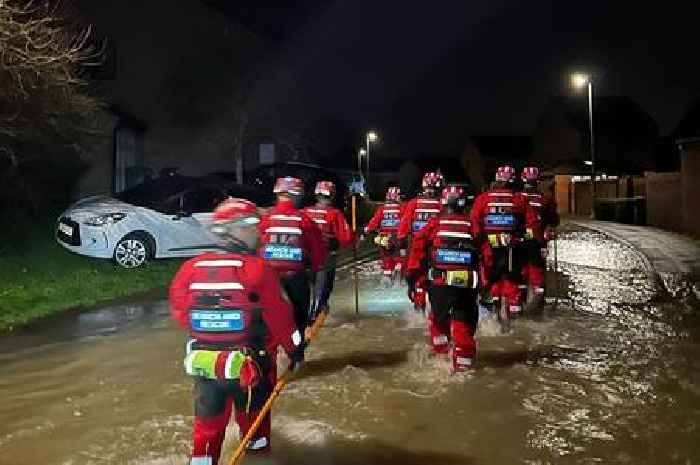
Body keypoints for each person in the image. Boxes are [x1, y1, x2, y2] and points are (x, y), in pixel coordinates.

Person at [169, 198, 305, 464]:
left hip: (205, 365)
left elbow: (182, 314)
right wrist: (295, 349)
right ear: (233, 229)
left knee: (206, 431)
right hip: (252, 368)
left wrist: (215, 336)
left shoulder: (189, 269)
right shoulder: (258, 270)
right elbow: (282, 319)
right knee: (255, 430)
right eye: (252, 225)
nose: (259, 231)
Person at [407, 185, 479, 371]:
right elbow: (486, 254)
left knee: (438, 320)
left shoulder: (434, 223)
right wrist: (487, 283)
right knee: (463, 323)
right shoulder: (472, 224)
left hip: (440, 284)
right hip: (467, 285)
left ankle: (441, 354)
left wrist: (412, 278)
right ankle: (463, 364)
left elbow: (417, 250)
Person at [258, 177, 327, 335]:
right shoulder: (304, 220)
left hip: (269, 280)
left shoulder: (266, 218)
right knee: (298, 319)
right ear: (297, 195)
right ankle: (296, 353)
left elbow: (255, 248)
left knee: (269, 320)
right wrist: (316, 269)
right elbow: (318, 254)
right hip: (296, 279)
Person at [470, 166, 540, 316]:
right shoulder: (519, 199)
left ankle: (493, 309)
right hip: (511, 249)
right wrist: (522, 239)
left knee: (492, 280)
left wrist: (479, 243)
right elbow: (532, 225)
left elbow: (474, 224)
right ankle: (516, 319)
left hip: (489, 249)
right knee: (512, 281)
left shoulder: (483, 199)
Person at [303, 180, 354, 314]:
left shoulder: (304, 212)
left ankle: (307, 311)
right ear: (332, 196)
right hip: (326, 256)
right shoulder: (334, 214)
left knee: (308, 286)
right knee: (324, 287)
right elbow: (346, 239)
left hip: (305, 257)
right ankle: (319, 310)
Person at [398, 172, 445, 312]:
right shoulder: (442, 204)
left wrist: (402, 245)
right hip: (438, 248)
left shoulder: (414, 203)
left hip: (416, 248)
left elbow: (404, 227)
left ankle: (418, 308)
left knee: (416, 278)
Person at [518, 167, 559, 298]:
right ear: (537, 181)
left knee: (521, 269)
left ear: (523, 180)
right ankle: (539, 300)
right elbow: (554, 220)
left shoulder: (516, 198)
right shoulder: (545, 199)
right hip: (539, 241)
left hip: (520, 240)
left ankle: (519, 300)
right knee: (538, 270)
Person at [364, 186, 406, 285]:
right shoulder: (402, 208)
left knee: (386, 258)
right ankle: (398, 271)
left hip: (383, 238)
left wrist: (366, 231)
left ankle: (387, 275)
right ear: (398, 197)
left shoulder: (382, 209)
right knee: (399, 257)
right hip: (397, 237)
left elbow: (374, 223)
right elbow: (406, 222)